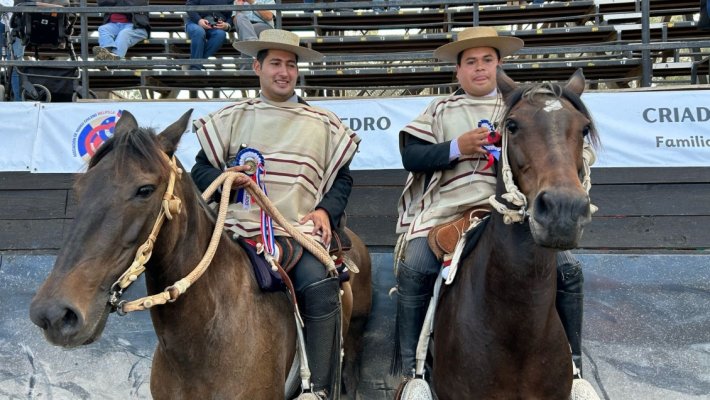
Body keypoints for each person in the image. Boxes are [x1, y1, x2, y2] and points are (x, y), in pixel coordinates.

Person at [392, 26, 592, 389]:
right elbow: (411, 155)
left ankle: (574, 368)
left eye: (487, 60)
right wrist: (457, 147)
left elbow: (561, 150)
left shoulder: (524, 107)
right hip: (451, 212)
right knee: (416, 265)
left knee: (569, 270)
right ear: (458, 71)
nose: (479, 68)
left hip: (512, 211)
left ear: (500, 66)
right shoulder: (440, 108)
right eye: (470, 62)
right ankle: (414, 371)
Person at [191, 29, 360, 400]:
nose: (283, 72)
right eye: (275, 64)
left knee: (321, 286)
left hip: (297, 231)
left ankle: (318, 390)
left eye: (290, 65)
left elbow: (342, 179)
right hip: (237, 231)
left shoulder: (323, 122)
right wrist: (230, 182)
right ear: (258, 67)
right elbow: (200, 171)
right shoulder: (232, 117)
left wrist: (325, 211)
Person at [185, 0, 232, 70]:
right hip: (195, 22)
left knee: (220, 34)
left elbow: (232, 14)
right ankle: (195, 68)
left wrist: (227, 25)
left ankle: (194, 64)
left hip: (216, 25)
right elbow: (189, 6)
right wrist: (199, 20)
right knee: (199, 32)